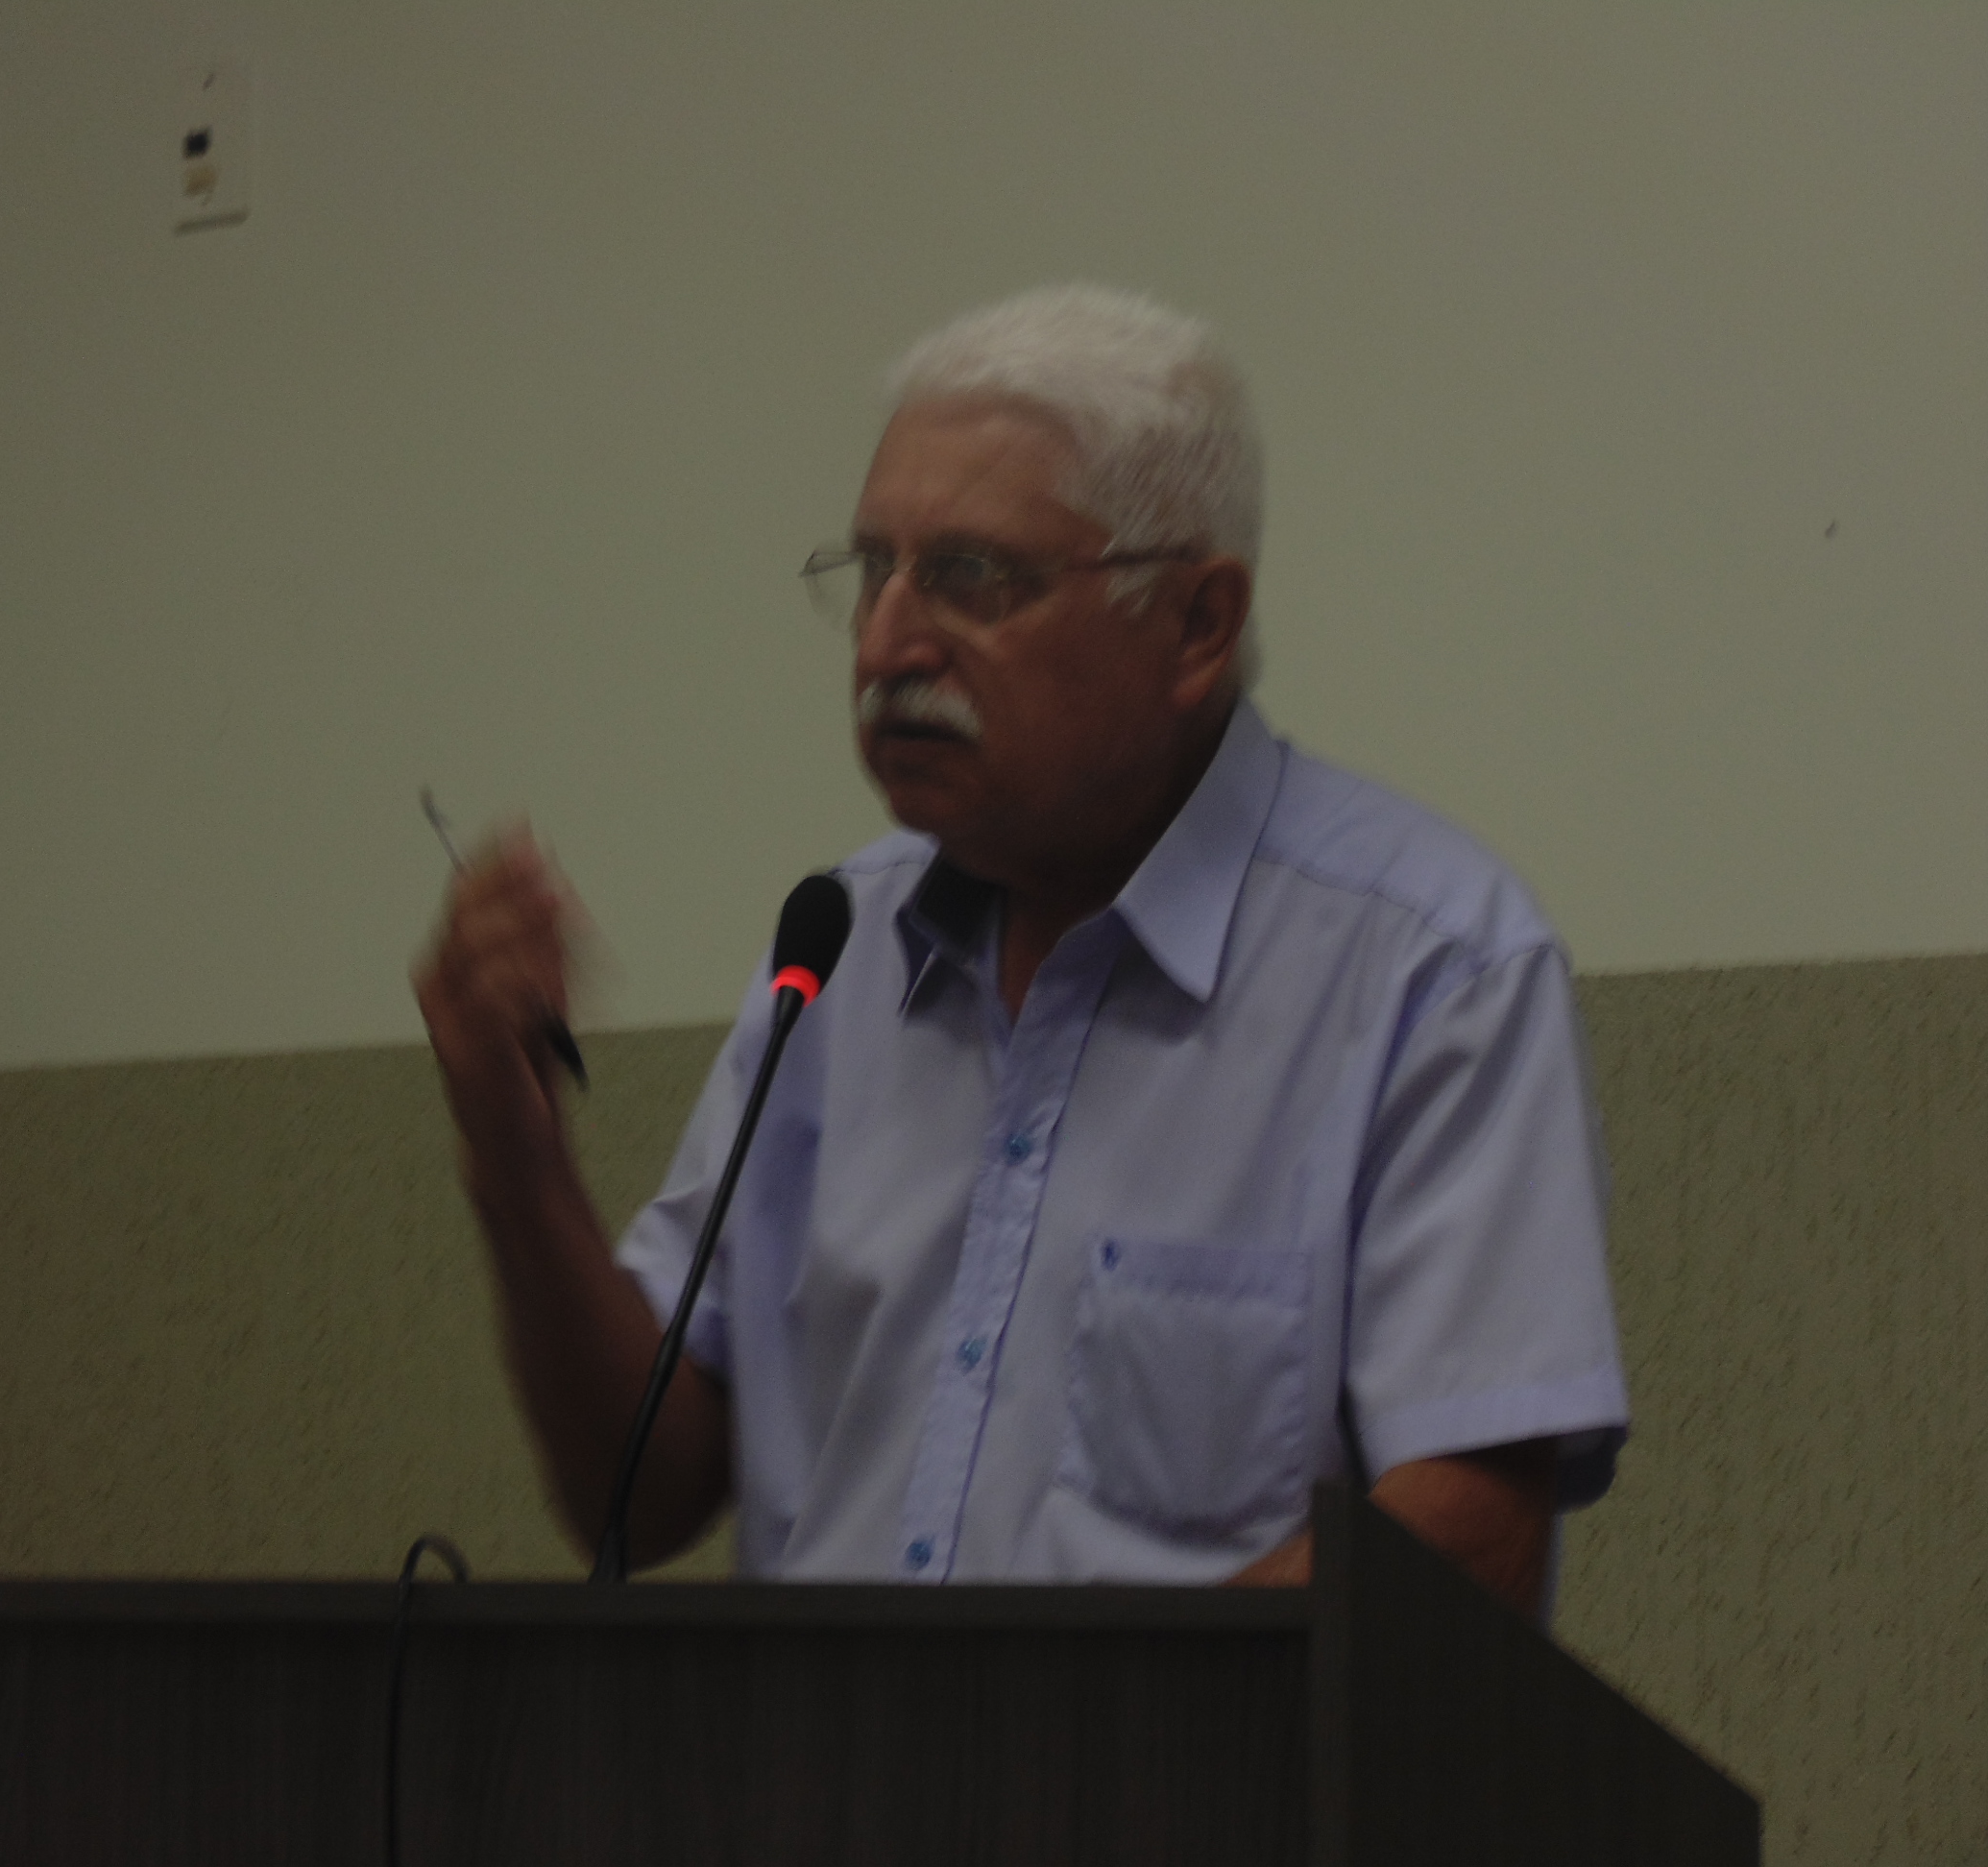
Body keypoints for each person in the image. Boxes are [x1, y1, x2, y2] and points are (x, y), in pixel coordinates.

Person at [413, 284, 1627, 1615]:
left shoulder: (1432, 972)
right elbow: (634, 1491)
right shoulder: (837, 954)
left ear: (1196, 625)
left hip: (1184, 1764)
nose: (887, 644)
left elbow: (1468, 1543)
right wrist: (517, 1159)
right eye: (873, 571)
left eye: (970, 578)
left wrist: (1056, 1734)